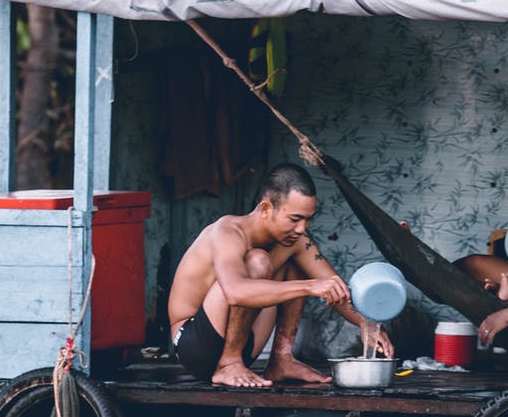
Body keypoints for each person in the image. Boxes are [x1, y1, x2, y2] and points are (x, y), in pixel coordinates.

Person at [168, 163, 394, 387]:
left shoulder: (295, 241)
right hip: (194, 345)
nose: (302, 228)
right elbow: (236, 293)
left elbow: (334, 287)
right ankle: (229, 363)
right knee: (258, 261)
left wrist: (366, 325)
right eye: (295, 219)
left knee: (294, 260)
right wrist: (309, 287)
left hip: (243, 344)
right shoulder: (227, 231)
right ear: (266, 209)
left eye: (308, 219)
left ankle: (282, 359)